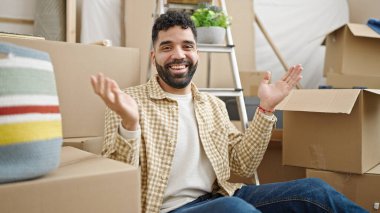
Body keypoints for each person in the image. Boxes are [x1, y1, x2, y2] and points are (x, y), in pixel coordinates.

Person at [91, 11, 367, 213]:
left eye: (187, 46)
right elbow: (117, 181)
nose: (179, 55)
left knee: (314, 190)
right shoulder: (127, 102)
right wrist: (130, 124)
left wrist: (266, 108)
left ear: (197, 53)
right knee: (236, 210)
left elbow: (242, 165)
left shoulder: (212, 106)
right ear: (154, 57)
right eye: (167, 47)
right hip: (168, 210)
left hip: (218, 197)